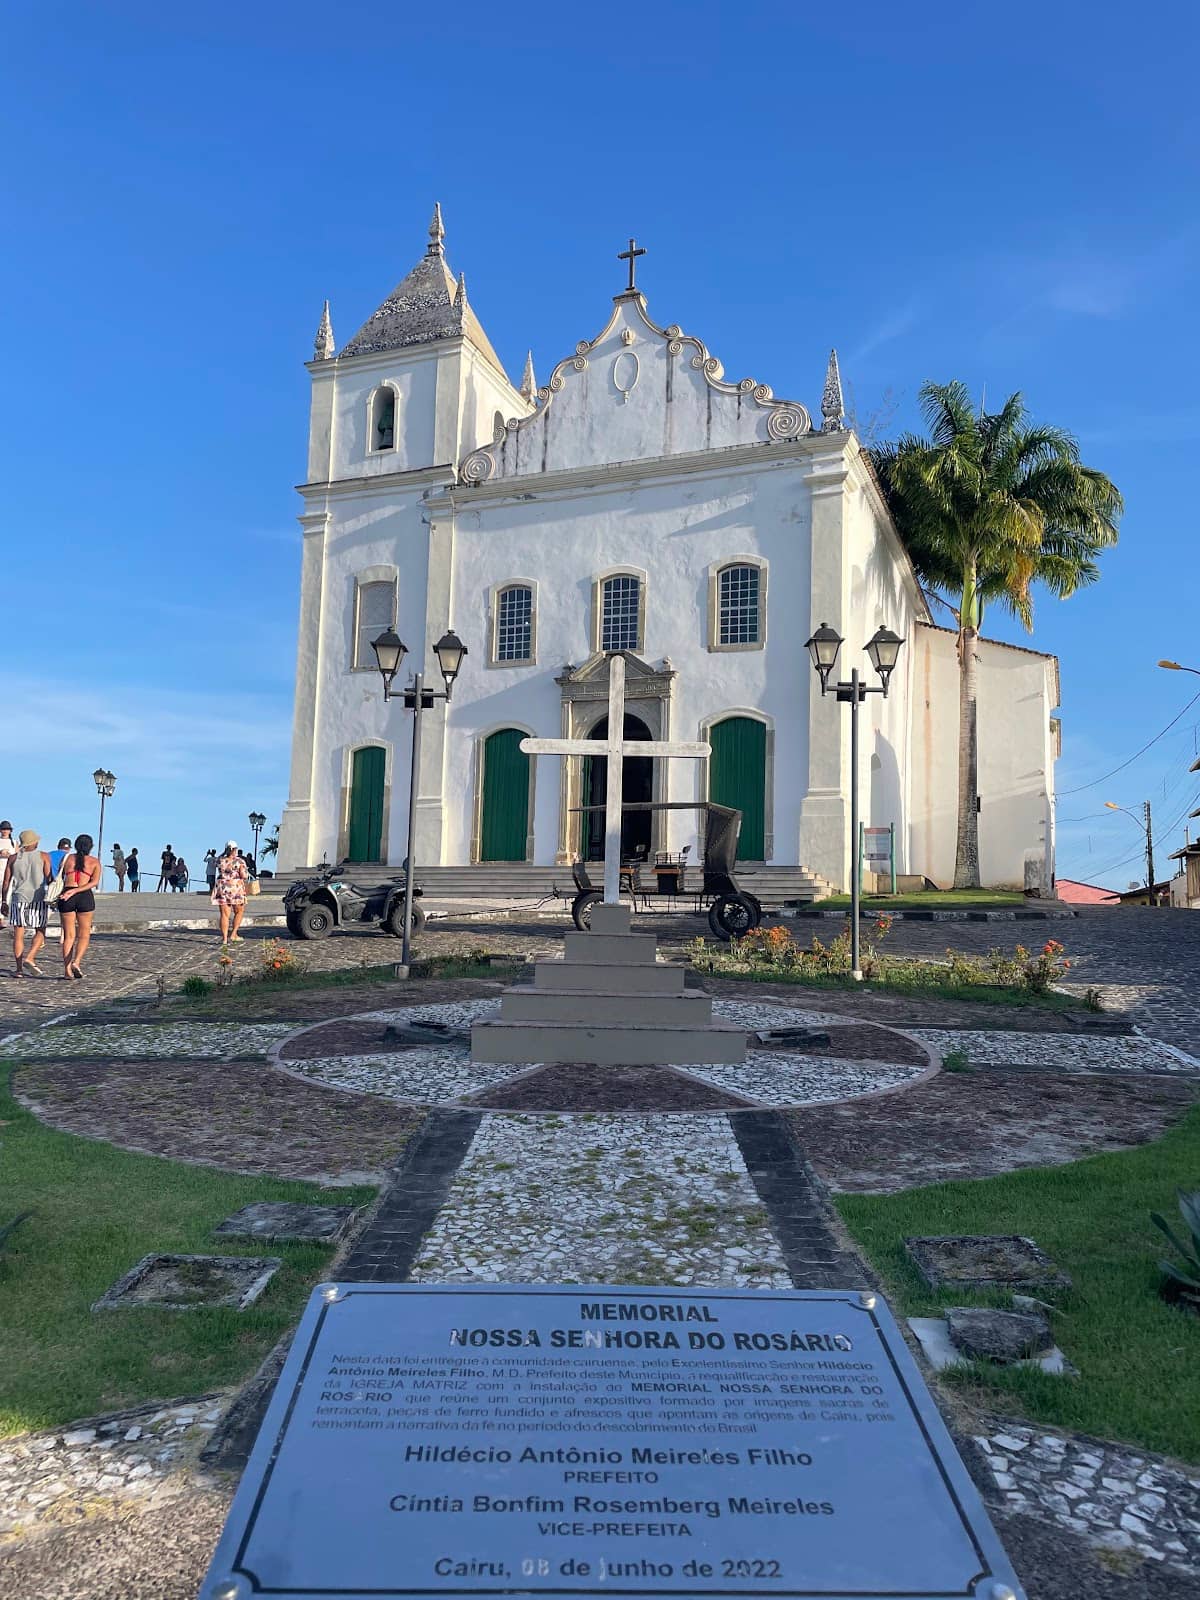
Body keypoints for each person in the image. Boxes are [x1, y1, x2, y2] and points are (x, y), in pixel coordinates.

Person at [2, 829, 51, 976]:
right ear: (34, 842)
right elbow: (49, 878)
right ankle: (30, 957)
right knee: (40, 930)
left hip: (18, 898)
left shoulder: (13, 858)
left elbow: (6, 882)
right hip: (38, 897)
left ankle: (18, 969)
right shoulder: (43, 856)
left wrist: (4, 900)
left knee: (18, 934)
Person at [58, 833, 101, 980]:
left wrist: (71, 890)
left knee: (69, 936)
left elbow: (60, 875)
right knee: (84, 934)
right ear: (91, 847)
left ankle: (67, 969)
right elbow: (94, 882)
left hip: (66, 895)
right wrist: (78, 890)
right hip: (84, 895)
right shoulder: (94, 862)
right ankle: (76, 962)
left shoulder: (68, 858)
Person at [213, 839, 250, 944]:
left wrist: (224, 852)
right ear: (235, 849)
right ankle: (233, 934)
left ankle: (224, 938)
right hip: (235, 888)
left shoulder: (220, 860)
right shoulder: (239, 861)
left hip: (222, 888)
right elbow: (244, 875)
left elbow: (216, 862)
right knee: (239, 911)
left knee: (224, 914)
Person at [0, 822, 17, 930]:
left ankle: (2, 916)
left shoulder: (14, 842)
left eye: (7, 829)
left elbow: (18, 856)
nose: (5, 831)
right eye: (3, 829)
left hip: (9, 870)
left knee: (7, 893)